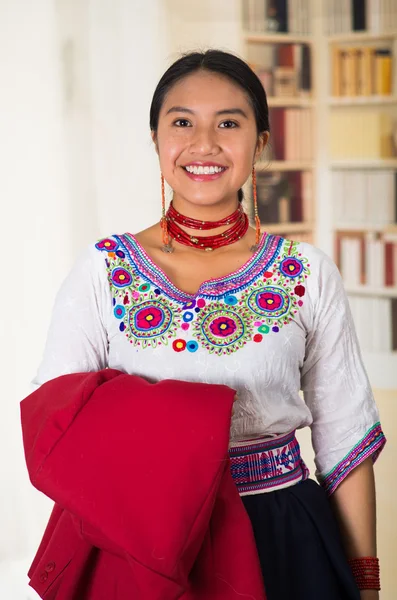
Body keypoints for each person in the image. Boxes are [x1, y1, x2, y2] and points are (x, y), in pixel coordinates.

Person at [31, 50, 385, 600]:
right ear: (156, 141)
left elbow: (346, 442)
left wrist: (365, 580)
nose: (204, 144)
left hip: (280, 536)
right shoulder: (104, 269)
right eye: (181, 123)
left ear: (261, 142)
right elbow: (60, 426)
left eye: (228, 122)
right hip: (143, 542)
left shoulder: (307, 273)